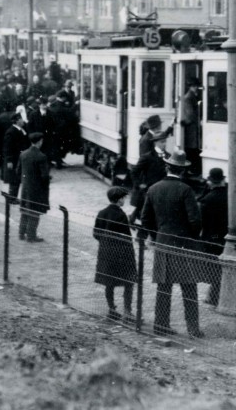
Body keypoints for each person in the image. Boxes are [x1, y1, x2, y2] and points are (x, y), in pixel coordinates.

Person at [139, 148, 203, 338]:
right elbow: (195, 220)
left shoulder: (153, 189)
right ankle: (193, 329)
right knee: (190, 288)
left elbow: (145, 219)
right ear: (182, 170)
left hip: (163, 243)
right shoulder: (186, 190)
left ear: (167, 166)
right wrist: (191, 236)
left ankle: (161, 325)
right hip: (183, 244)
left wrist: (155, 236)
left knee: (163, 288)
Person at [93, 186, 137, 321]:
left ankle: (112, 309)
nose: (125, 200)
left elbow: (96, 234)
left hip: (106, 254)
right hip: (122, 254)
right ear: (119, 199)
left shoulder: (102, 212)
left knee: (109, 282)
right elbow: (126, 236)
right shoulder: (121, 215)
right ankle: (127, 311)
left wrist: (106, 243)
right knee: (128, 282)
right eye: (124, 198)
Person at [130, 115, 174, 224]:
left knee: (146, 207)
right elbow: (144, 161)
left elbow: (161, 138)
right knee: (147, 208)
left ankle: (133, 219)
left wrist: (171, 126)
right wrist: (139, 183)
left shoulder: (153, 136)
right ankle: (137, 224)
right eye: (160, 125)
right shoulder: (145, 140)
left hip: (154, 179)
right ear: (157, 126)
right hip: (148, 177)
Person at [198, 167, 228, 306]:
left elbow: (202, 222)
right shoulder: (230, 196)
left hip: (211, 238)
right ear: (223, 180)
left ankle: (214, 296)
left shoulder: (207, 199)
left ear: (210, 181)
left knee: (214, 269)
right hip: (226, 237)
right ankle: (216, 295)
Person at [18, 132, 50, 242]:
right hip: (37, 189)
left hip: (25, 187)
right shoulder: (41, 156)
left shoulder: (23, 154)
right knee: (35, 212)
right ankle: (31, 236)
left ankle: (21, 233)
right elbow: (44, 176)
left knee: (25, 211)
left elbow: (18, 171)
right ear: (40, 141)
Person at [2, 106, 31, 202]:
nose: (23, 121)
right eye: (21, 119)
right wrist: (9, 160)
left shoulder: (21, 130)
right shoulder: (11, 132)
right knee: (14, 179)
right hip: (14, 159)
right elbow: (8, 148)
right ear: (17, 121)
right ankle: (12, 198)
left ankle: (13, 197)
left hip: (20, 158)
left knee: (17, 178)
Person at [178, 79, 202, 176]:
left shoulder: (193, 96)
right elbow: (190, 114)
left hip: (193, 126)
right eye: (194, 86)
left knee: (194, 148)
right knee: (192, 148)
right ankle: (191, 169)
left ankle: (192, 169)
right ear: (190, 87)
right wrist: (197, 121)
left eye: (196, 86)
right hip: (191, 127)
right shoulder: (188, 97)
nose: (196, 88)